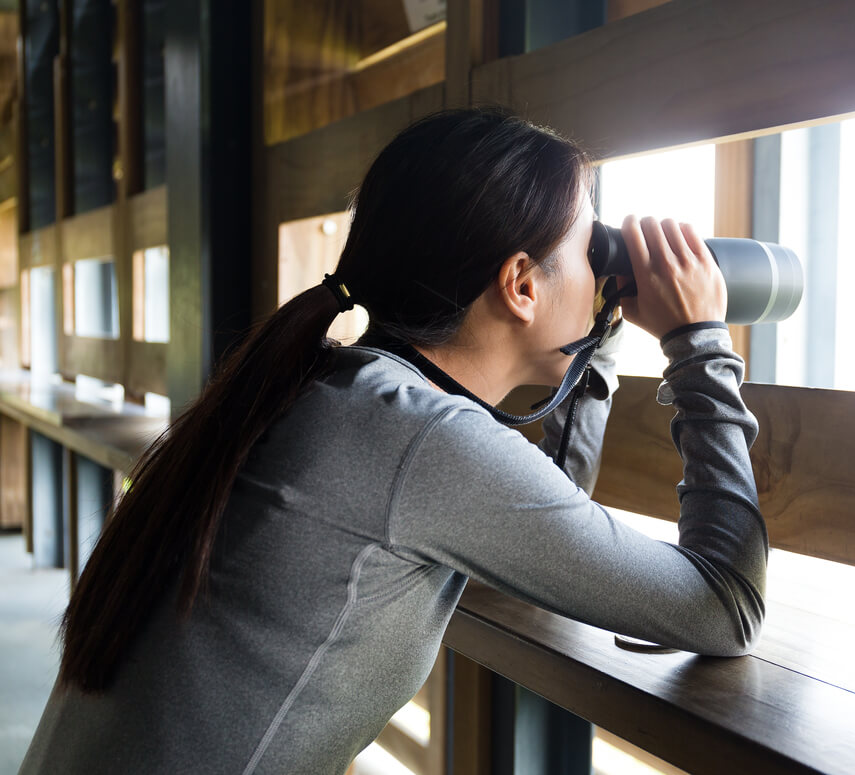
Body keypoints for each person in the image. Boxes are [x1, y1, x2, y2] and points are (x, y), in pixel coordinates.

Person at [19, 107, 767, 774]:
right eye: (587, 247)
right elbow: (726, 607)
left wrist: (599, 337)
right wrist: (698, 340)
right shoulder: (422, 437)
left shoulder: (339, 391)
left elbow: (543, 528)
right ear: (520, 284)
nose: (601, 268)